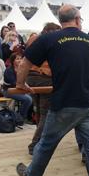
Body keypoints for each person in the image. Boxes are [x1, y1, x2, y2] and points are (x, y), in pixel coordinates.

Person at [15, 4, 89, 176]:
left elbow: (24, 63)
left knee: (47, 143)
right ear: (77, 19)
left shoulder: (49, 38)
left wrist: (21, 84)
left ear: (60, 21)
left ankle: (33, 175)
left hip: (64, 103)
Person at [26, 23, 60, 155]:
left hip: (31, 77)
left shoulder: (33, 39)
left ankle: (38, 141)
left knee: (39, 111)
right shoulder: (51, 41)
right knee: (45, 113)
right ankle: (34, 145)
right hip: (45, 78)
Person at [3, 53, 33, 121]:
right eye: (17, 59)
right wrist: (26, 87)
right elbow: (15, 83)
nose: (20, 60)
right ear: (13, 61)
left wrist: (27, 87)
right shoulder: (9, 70)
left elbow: (25, 81)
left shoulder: (22, 69)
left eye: (20, 58)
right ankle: (20, 117)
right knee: (28, 99)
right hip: (8, 91)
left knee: (32, 96)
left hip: (19, 90)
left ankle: (28, 117)